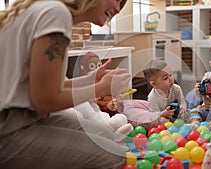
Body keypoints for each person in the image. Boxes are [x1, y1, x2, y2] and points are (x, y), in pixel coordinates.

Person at [0, 0, 131, 169]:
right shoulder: (56, 15)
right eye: (117, 0)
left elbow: (49, 85)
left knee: (102, 135)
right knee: (114, 157)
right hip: (9, 127)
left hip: (22, 118)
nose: (118, 9)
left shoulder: (50, 12)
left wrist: (91, 80)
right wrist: (100, 88)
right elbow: (45, 100)